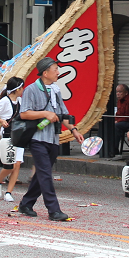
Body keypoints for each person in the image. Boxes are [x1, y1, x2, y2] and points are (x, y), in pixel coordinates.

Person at [18, 57, 84, 221]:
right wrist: (45, 114)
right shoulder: (31, 90)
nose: (58, 72)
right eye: (55, 69)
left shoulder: (56, 89)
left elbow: (63, 113)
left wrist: (74, 130)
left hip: (53, 139)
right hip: (37, 138)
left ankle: (26, 203)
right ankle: (53, 210)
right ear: (45, 73)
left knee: (42, 174)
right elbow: (24, 113)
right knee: (46, 173)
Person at [0, 77, 25, 203]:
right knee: (9, 165)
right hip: (7, 135)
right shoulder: (5, 101)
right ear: (17, 89)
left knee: (17, 164)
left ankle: (9, 192)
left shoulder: (21, 100)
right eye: (21, 88)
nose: (23, 90)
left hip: (19, 135)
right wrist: (1, 121)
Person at [114, 84, 129, 156]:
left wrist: (118, 121)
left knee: (117, 126)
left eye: (120, 92)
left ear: (126, 93)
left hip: (128, 122)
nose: (118, 94)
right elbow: (118, 113)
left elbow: (128, 116)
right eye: (117, 92)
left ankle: (114, 149)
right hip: (120, 120)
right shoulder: (119, 101)